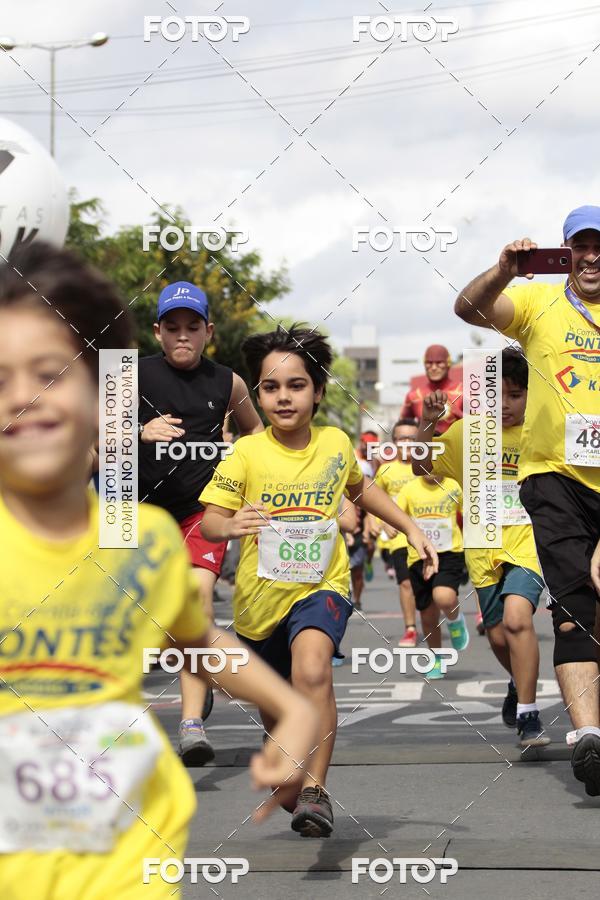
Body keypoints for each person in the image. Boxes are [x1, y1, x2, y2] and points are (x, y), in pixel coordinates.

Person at [0, 242, 319, 898]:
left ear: (95, 392)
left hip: (129, 861)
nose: (26, 398)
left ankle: (193, 723)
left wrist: (287, 706)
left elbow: (200, 638)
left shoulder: (144, 545)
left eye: (50, 373)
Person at [199, 324, 438, 837]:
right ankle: (296, 787)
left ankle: (317, 789)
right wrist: (232, 523)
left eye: (296, 385)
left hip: (321, 588)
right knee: (281, 719)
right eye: (270, 387)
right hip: (259, 606)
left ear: (319, 391)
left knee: (313, 670)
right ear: (259, 393)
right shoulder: (246, 453)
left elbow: (362, 487)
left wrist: (410, 526)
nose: (283, 397)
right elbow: (212, 520)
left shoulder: (334, 443)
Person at [455, 206, 600, 792]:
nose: (591, 257)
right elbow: (467, 307)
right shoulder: (538, 303)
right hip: (554, 478)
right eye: (579, 247)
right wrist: (502, 271)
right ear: (565, 253)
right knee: (571, 612)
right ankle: (588, 737)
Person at [138, 281, 262, 767]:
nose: (183, 336)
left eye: (193, 327)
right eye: (173, 328)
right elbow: (90, 436)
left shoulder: (227, 382)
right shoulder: (129, 377)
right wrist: (138, 430)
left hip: (199, 512)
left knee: (197, 601)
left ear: (209, 331)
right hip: (139, 514)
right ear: (158, 332)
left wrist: (247, 466)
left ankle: (191, 725)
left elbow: (254, 430)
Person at [413, 349, 551, 747]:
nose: (505, 404)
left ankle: (529, 714)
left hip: (528, 541)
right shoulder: (467, 434)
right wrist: (427, 424)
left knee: (517, 619)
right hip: (482, 544)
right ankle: (516, 681)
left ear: (531, 395)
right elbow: (420, 467)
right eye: (496, 395)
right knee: (496, 636)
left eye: (515, 394)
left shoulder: (543, 432)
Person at [396, 473, 469, 678]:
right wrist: (385, 526)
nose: (430, 469)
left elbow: (469, 514)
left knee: (443, 596)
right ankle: (436, 658)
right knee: (428, 615)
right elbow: (395, 514)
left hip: (449, 553)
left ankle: (454, 619)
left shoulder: (453, 485)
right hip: (419, 556)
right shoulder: (409, 489)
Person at [373, 418, 419, 646]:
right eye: (403, 439)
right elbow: (373, 500)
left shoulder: (428, 467)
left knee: (440, 590)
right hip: (400, 538)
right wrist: (380, 522)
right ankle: (410, 628)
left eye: (413, 438)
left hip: (432, 536)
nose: (408, 443)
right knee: (406, 583)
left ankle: (451, 615)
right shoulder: (386, 470)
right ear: (394, 443)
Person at [401, 344, 463, 434]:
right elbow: (402, 430)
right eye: (429, 363)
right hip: (425, 447)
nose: (433, 367)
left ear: (448, 363)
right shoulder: (414, 396)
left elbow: (481, 427)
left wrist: (456, 412)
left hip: (457, 447)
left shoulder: (464, 392)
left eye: (439, 363)